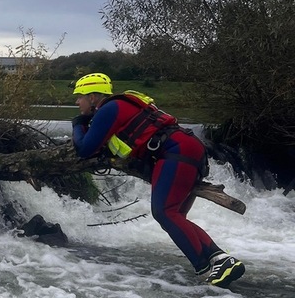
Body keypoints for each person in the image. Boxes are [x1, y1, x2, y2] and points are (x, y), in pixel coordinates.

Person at [70, 73, 245, 288]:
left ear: (93, 97)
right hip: (188, 148)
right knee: (176, 216)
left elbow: (84, 149)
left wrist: (78, 124)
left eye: (80, 96)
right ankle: (220, 260)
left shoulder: (108, 109)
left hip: (176, 153)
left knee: (165, 212)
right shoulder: (117, 106)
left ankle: (207, 266)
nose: (77, 101)